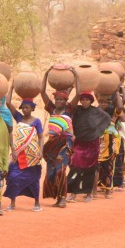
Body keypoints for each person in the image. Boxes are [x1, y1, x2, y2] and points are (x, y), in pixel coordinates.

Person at [66, 79, 114, 203]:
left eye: (87, 99)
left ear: (91, 101)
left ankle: (88, 193)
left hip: (92, 144)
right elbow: (69, 108)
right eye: (82, 99)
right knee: (75, 167)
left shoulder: (96, 111)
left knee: (90, 169)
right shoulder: (77, 110)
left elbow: (107, 118)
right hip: (79, 143)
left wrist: (98, 132)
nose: (84, 101)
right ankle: (73, 193)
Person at [3, 83, 43, 211]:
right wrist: (11, 88)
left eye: (27, 108)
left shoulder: (37, 121)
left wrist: (41, 151)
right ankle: (12, 203)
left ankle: (37, 203)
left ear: (32, 108)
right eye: (23, 108)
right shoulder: (19, 118)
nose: (24, 110)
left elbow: (41, 137)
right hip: (18, 155)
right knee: (12, 177)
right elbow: (8, 103)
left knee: (34, 180)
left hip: (32, 156)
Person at [40, 77, 74, 207]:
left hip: (65, 144)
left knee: (61, 170)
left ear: (66, 101)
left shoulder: (69, 110)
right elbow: (42, 91)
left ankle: (63, 198)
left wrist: (75, 76)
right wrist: (46, 75)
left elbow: (78, 93)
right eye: (57, 99)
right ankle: (58, 197)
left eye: (61, 100)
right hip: (52, 145)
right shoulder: (51, 110)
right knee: (51, 171)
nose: (59, 101)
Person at [96, 90, 125, 198]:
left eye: (105, 102)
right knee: (98, 167)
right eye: (101, 102)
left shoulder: (114, 112)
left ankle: (108, 190)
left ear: (109, 102)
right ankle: (99, 186)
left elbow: (120, 106)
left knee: (109, 167)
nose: (102, 104)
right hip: (99, 143)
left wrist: (117, 91)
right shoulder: (96, 112)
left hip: (112, 143)